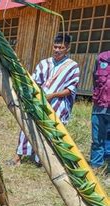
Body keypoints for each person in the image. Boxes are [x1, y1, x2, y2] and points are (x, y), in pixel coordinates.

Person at [11, 33, 80, 166]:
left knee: (50, 132)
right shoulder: (44, 63)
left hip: (58, 105)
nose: (57, 50)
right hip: (39, 101)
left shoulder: (72, 66)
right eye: (55, 47)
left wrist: (52, 95)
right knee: (28, 125)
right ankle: (18, 156)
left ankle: (41, 159)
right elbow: (34, 82)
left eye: (61, 47)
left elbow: (70, 89)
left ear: (68, 48)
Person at [90, 50, 110, 170]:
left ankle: (107, 167)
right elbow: (94, 79)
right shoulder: (101, 58)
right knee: (97, 138)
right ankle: (96, 166)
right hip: (100, 106)